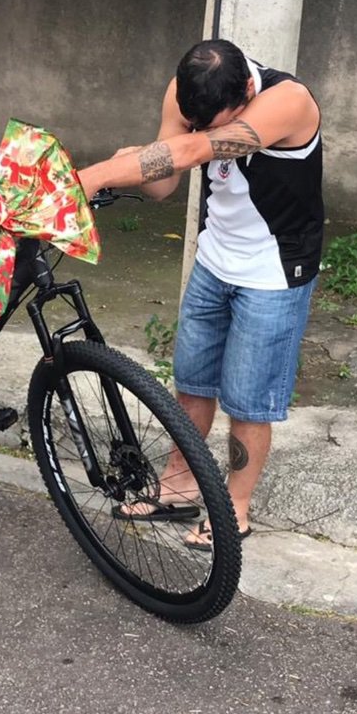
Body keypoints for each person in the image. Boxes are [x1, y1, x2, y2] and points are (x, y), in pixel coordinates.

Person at [77, 39, 323, 549]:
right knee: (192, 382)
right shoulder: (187, 92)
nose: (205, 129)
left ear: (248, 90)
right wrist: (142, 162)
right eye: (198, 120)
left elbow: (191, 151)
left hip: (273, 271)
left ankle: (234, 507)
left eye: (216, 123)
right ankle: (180, 484)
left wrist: (90, 176)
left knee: (250, 401)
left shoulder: (287, 100)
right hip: (215, 258)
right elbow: (167, 182)